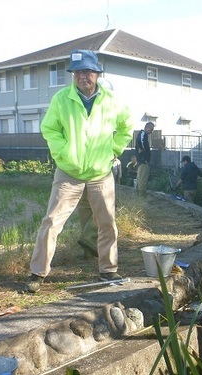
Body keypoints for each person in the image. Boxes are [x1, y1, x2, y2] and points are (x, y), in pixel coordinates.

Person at [26, 49, 133, 293]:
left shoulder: (112, 101)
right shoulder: (61, 99)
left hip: (100, 173)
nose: (82, 76)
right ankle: (37, 273)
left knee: (107, 223)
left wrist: (114, 150)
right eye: (77, 72)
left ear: (97, 73)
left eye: (87, 71)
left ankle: (108, 269)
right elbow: (50, 129)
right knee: (52, 221)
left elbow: (127, 126)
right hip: (68, 172)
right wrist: (63, 154)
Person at [135, 121, 154, 197]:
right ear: (147, 127)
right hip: (143, 160)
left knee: (139, 179)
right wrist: (143, 150)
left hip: (141, 160)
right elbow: (142, 141)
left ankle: (138, 196)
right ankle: (141, 198)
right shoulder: (143, 134)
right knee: (143, 180)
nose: (152, 131)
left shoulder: (142, 134)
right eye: (151, 129)